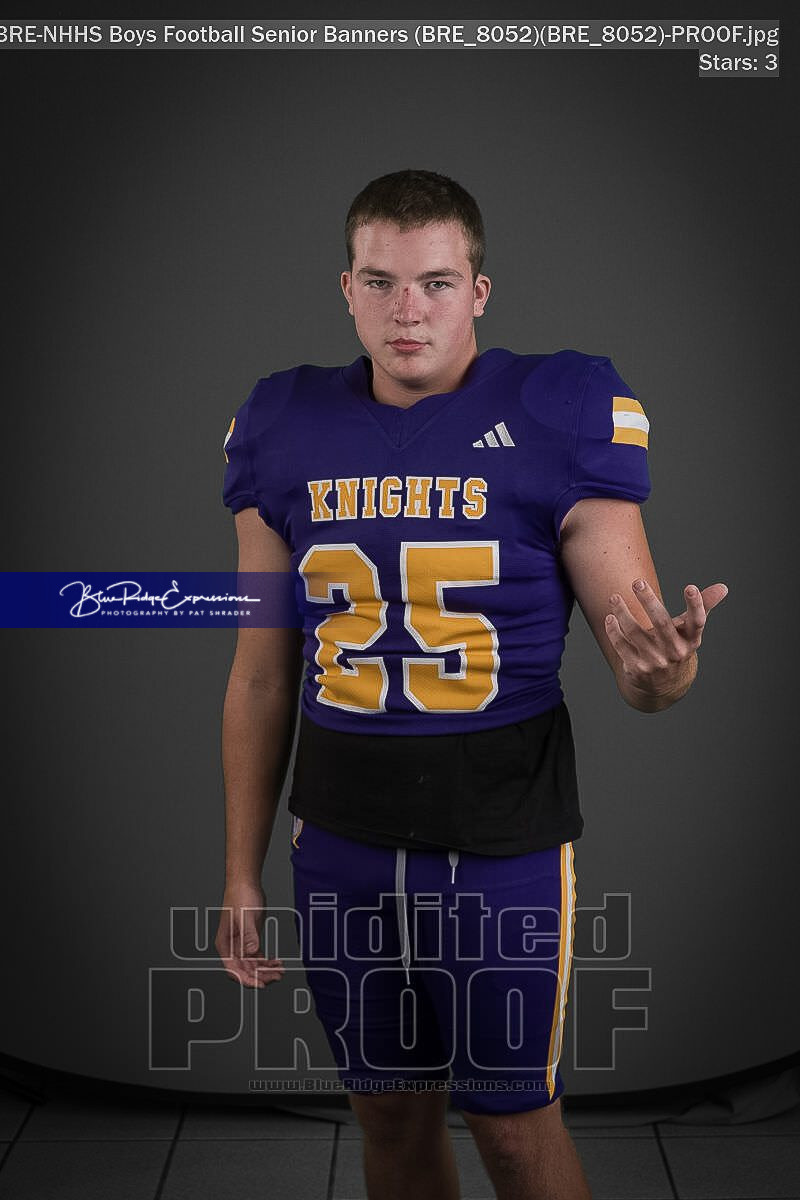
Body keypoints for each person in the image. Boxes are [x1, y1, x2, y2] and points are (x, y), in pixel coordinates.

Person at [214, 169, 727, 1200]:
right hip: (339, 834)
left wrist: (668, 673)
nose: (407, 310)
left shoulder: (561, 408)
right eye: (381, 281)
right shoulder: (280, 421)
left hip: (500, 834)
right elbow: (263, 673)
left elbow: (641, 671)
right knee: (387, 1116)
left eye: (437, 283)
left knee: (513, 1129)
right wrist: (241, 869)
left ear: (479, 292)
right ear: (346, 289)